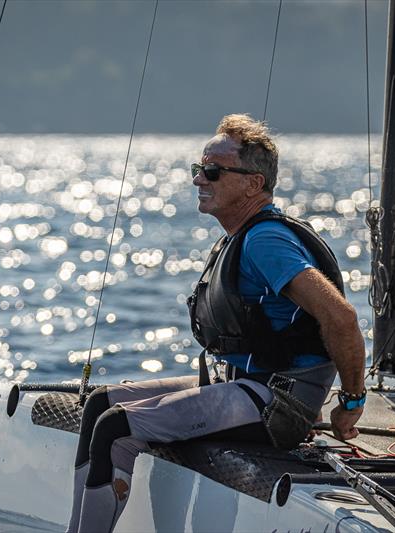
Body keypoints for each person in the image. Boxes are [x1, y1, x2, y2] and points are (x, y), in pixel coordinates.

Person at [67, 114, 366, 533]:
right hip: (241, 386)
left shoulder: (266, 241)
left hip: (276, 404)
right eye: (197, 169)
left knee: (116, 428)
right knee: (100, 402)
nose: (198, 180)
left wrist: (351, 403)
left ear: (252, 184)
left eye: (212, 171)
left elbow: (341, 317)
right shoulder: (240, 235)